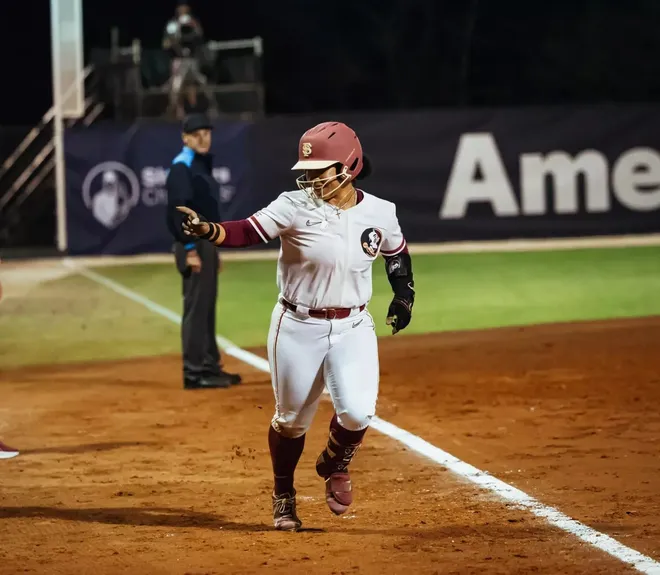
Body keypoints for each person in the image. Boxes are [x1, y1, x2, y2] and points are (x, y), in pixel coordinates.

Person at [176, 121, 415, 531]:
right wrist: (209, 231)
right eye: (308, 168)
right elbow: (247, 231)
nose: (311, 176)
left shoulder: (380, 211)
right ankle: (283, 495)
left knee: (357, 413)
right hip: (297, 326)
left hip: (354, 325)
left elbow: (396, 252)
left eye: (321, 167)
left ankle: (334, 464)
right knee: (291, 422)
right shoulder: (293, 205)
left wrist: (404, 294)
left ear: (349, 165)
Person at [166, 113, 242, 390]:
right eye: (197, 134)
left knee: (207, 307)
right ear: (185, 138)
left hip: (205, 243)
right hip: (193, 244)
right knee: (197, 308)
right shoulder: (182, 166)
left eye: (207, 133)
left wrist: (215, 249)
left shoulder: (199, 164)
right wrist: (188, 249)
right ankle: (194, 371)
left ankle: (210, 366)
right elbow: (177, 211)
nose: (203, 138)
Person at [162, 1, 217, 118]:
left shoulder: (193, 22)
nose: (183, 11)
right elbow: (165, 43)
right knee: (176, 87)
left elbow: (200, 36)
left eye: (185, 9)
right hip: (178, 60)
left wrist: (193, 26)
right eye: (181, 9)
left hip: (192, 60)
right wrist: (173, 41)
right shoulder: (172, 24)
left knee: (201, 82)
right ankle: (174, 111)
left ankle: (212, 107)